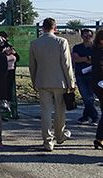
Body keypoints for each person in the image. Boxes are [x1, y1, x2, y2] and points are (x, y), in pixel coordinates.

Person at [29, 18, 77, 151]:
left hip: (42, 81)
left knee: (45, 112)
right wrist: (71, 82)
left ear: (42, 28)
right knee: (60, 112)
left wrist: (34, 81)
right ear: (55, 28)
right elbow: (66, 64)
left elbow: (32, 65)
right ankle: (60, 136)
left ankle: (47, 141)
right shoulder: (62, 41)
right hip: (60, 81)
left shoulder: (34, 43)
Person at [72, 28, 98, 124]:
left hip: (93, 75)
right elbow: (76, 59)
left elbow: (96, 60)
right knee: (86, 97)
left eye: (90, 36)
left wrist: (83, 58)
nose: (88, 38)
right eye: (85, 36)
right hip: (80, 75)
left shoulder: (96, 48)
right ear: (82, 36)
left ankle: (87, 117)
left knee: (89, 97)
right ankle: (92, 116)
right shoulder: (77, 47)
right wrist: (87, 58)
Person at [0, 31, 20, 119]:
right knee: (1, 93)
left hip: (10, 72)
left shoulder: (9, 46)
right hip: (1, 74)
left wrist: (13, 52)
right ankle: (2, 113)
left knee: (9, 93)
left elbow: (17, 58)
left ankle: (10, 111)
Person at [91, 29, 103, 149]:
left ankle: (99, 138)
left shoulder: (95, 51)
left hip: (96, 84)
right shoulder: (100, 52)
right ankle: (99, 138)